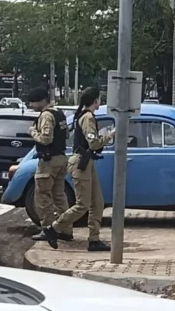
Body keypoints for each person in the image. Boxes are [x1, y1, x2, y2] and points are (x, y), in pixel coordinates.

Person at [43, 87, 115, 252]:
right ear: (95, 100)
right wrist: (110, 135)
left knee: (97, 202)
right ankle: (53, 228)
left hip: (86, 162)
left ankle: (94, 239)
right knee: (83, 204)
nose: (100, 101)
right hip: (80, 163)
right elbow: (93, 143)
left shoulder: (85, 115)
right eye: (99, 98)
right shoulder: (88, 117)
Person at [27, 87, 73, 242]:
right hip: (61, 157)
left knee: (43, 196)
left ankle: (47, 229)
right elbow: (66, 134)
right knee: (60, 196)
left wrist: (33, 132)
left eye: (33, 102)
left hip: (48, 161)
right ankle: (65, 228)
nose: (32, 106)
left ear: (42, 101)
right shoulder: (60, 113)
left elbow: (46, 139)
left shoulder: (46, 115)